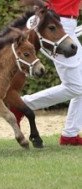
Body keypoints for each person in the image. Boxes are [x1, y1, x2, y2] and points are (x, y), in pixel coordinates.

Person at [18, 0, 82, 145]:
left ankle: (70, 136)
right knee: (76, 87)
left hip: (67, 26)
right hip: (55, 28)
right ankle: (22, 105)